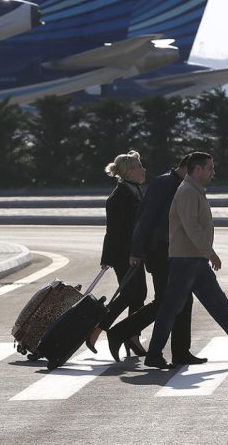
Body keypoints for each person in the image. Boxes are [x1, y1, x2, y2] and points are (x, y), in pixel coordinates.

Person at [143, 152, 228, 370]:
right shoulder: (188, 192)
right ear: (197, 169)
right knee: (170, 308)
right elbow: (191, 227)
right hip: (186, 260)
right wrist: (210, 252)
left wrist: (205, 253)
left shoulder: (194, 190)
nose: (213, 171)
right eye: (210, 167)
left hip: (195, 260)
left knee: (219, 305)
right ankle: (154, 355)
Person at [105, 154, 204, 365]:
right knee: (166, 302)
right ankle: (122, 334)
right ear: (189, 167)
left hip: (176, 252)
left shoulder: (181, 185)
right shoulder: (164, 184)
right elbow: (144, 220)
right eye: (206, 169)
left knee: (181, 300)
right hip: (160, 253)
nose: (208, 174)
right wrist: (137, 251)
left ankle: (180, 352)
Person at [86, 150, 148, 355]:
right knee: (131, 294)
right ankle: (99, 329)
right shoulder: (119, 196)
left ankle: (132, 336)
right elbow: (113, 230)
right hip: (125, 255)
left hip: (136, 253)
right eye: (140, 166)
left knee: (138, 295)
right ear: (130, 171)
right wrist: (107, 258)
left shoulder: (135, 190)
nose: (144, 169)